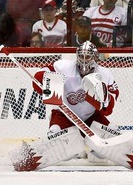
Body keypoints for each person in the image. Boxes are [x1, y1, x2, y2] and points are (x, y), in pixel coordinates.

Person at [10, 41, 121, 171]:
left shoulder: (105, 74)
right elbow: (39, 76)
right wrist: (45, 84)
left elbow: (109, 108)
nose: (84, 60)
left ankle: (93, 151)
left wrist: (99, 101)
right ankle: (74, 150)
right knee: (54, 133)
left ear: (95, 58)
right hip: (65, 115)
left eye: (87, 57)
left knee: (112, 133)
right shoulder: (64, 67)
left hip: (92, 117)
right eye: (81, 56)